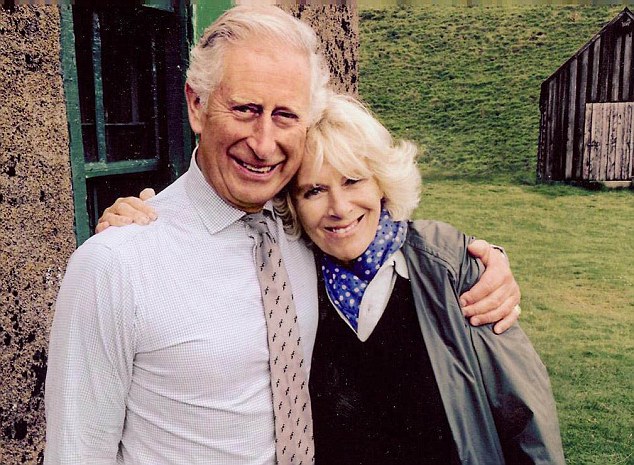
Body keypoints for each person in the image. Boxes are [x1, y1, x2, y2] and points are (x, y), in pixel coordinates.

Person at [46, 5, 521, 465]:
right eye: (245, 109)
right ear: (196, 105)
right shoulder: (115, 264)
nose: (263, 143)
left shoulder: (305, 226)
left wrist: (482, 266)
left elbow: (387, 234)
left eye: (285, 116)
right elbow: (77, 452)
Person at [104, 92, 564, 465]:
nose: (339, 209)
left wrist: (490, 260)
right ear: (292, 204)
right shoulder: (286, 275)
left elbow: (525, 419)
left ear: (382, 183)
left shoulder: (450, 269)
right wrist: (143, 224)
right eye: (315, 190)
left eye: (353, 181)